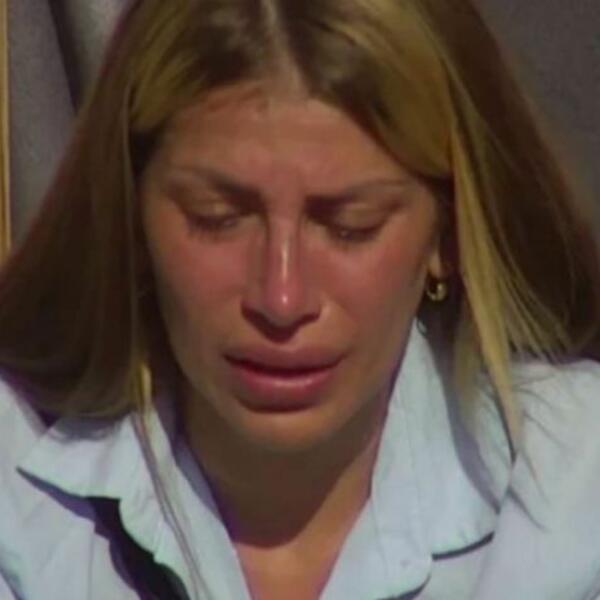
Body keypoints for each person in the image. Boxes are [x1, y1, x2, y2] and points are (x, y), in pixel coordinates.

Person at [1, 0, 600, 598]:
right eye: (217, 217)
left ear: (448, 233)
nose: (282, 298)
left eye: (351, 226)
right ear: (130, 213)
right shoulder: (18, 493)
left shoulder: (576, 490)